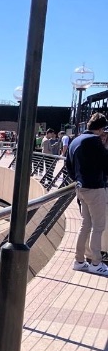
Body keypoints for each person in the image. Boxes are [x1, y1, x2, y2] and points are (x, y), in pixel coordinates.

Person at [66, 112, 108, 276]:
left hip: (80, 187)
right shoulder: (94, 141)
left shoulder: (75, 140)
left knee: (86, 224)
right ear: (101, 128)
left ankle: (79, 261)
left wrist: (78, 179)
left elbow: (68, 165)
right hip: (95, 188)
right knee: (98, 226)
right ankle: (96, 263)